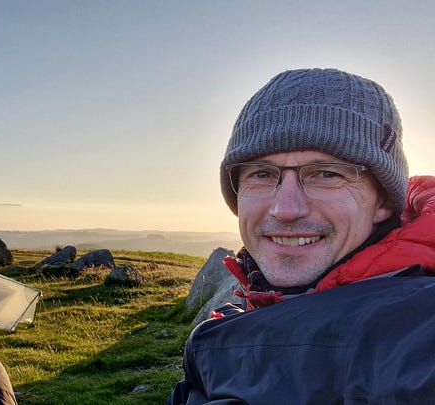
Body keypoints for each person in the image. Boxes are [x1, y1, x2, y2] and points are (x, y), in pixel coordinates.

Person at [167, 68, 435, 404]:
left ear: (382, 201)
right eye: (261, 173)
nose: (285, 208)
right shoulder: (233, 321)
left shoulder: (416, 324)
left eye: (326, 173)